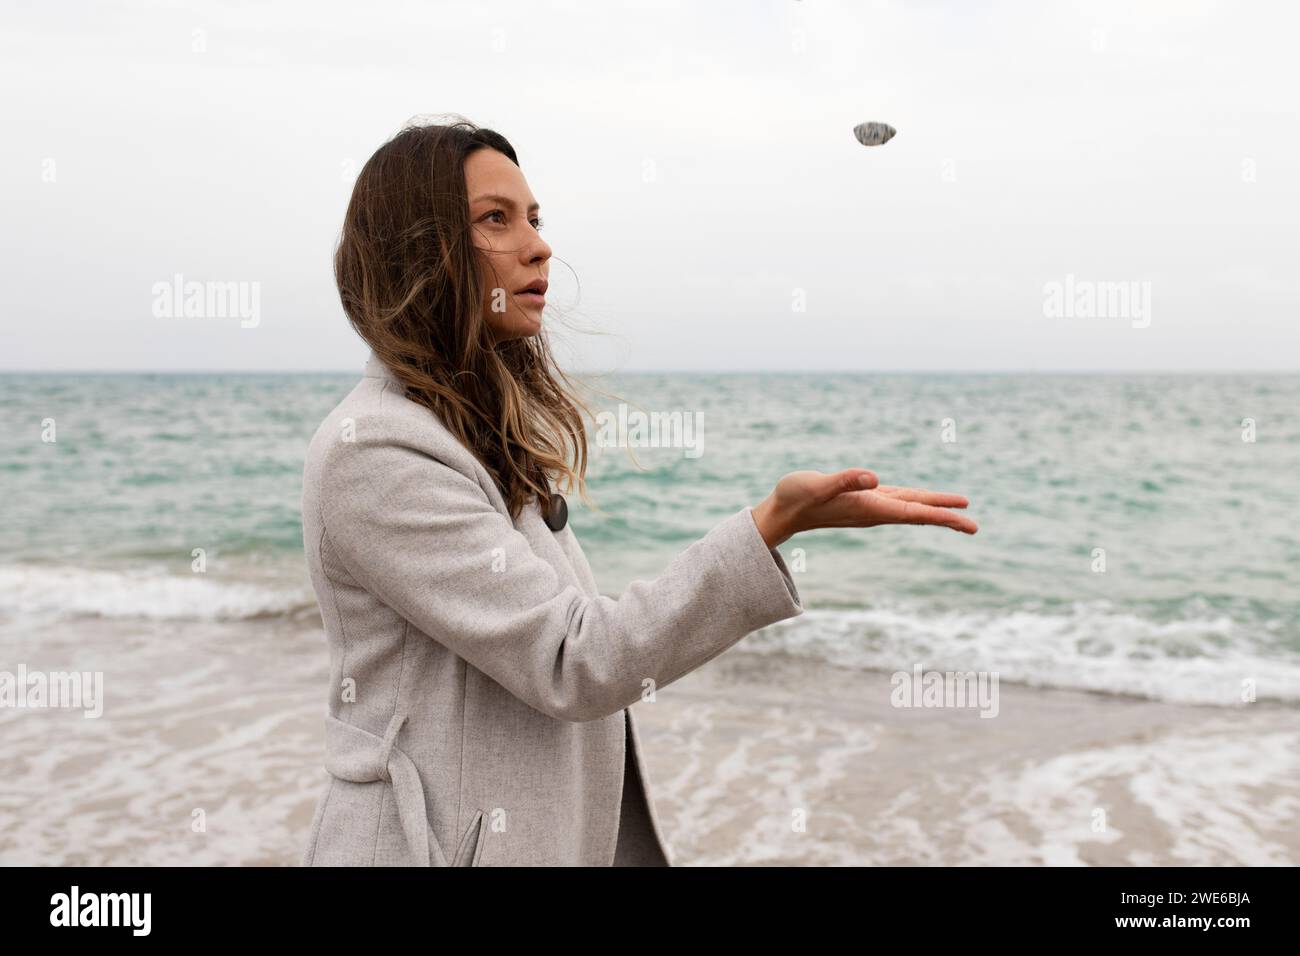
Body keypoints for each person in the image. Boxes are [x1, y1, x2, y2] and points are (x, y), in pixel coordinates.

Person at [299, 116, 977, 867]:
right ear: (417, 250)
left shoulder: (471, 433)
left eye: (535, 218)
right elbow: (573, 658)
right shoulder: (379, 451)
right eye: (496, 219)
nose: (539, 245)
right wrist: (771, 524)